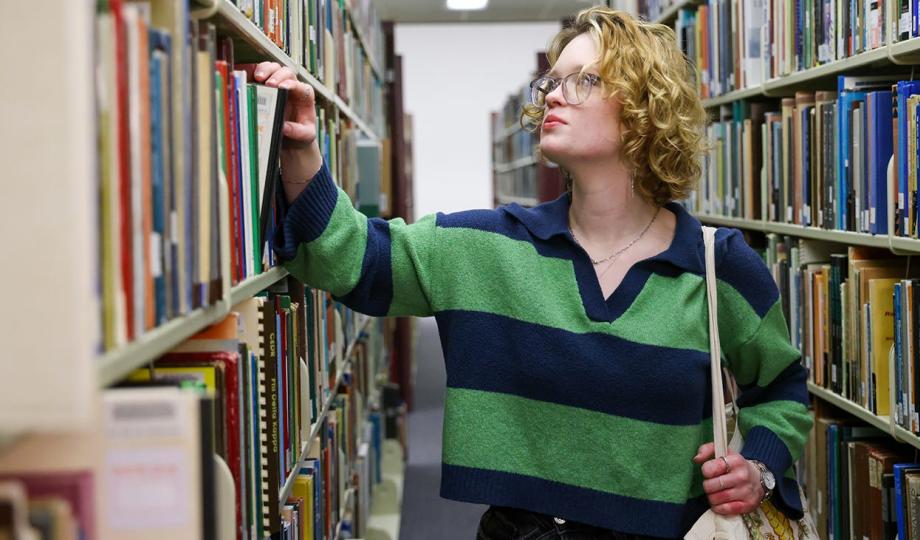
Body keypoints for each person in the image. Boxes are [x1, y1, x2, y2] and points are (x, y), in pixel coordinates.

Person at [254, 6, 812, 539]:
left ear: (648, 105)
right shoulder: (487, 244)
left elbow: (783, 390)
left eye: (583, 80)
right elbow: (354, 258)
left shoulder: (718, 264)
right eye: (551, 83)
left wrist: (757, 467)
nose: (553, 96)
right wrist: (302, 154)